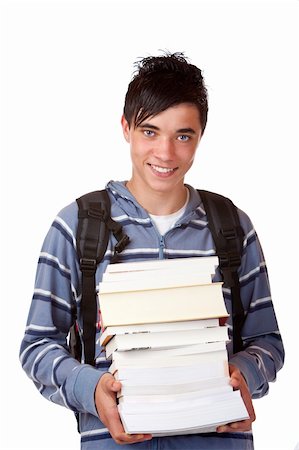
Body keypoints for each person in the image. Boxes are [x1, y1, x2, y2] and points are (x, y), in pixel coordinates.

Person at [20, 51, 284, 450]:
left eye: (183, 135)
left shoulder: (232, 226)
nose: (165, 153)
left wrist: (242, 374)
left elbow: (268, 341)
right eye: (150, 131)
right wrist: (91, 389)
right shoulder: (77, 225)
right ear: (125, 128)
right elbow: (37, 346)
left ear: (200, 137)